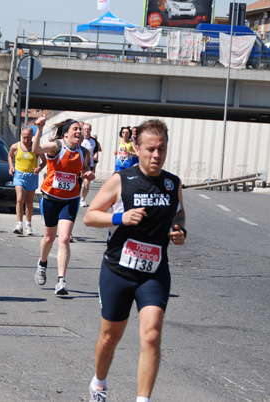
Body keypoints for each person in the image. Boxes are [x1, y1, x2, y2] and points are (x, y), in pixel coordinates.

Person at [83, 119, 186, 402]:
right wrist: (120, 217)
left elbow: (179, 214)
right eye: (150, 149)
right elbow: (90, 216)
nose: (156, 155)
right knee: (109, 337)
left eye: (161, 149)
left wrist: (179, 230)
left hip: (153, 272)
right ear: (137, 149)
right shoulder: (121, 180)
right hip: (118, 271)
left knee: (151, 335)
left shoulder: (171, 183)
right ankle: (99, 382)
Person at [32, 116, 94, 296]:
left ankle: (61, 281)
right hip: (51, 198)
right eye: (75, 129)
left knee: (64, 238)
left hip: (71, 199)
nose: (78, 132)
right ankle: (42, 263)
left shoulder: (83, 151)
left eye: (80, 130)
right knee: (49, 238)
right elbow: (36, 149)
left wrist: (87, 173)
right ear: (66, 133)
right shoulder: (56, 146)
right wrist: (39, 129)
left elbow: (83, 169)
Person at [8, 126, 46, 236]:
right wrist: (11, 166)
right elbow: (10, 156)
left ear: (32, 136)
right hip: (19, 174)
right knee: (20, 199)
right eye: (24, 137)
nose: (26, 140)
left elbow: (44, 161)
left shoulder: (36, 148)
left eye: (28, 138)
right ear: (21, 136)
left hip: (31, 175)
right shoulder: (15, 146)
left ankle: (28, 225)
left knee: (29, 201)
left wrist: (39, 168)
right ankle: (19, 224)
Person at [79, 122, 97, 207]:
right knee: (77, 183)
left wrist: (96, 154)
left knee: (86, 182)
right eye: (85, 129)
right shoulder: (79, 139)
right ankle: (75, 198)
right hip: (78, 164)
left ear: (91, 130)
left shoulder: (94, 141)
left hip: (89, 164)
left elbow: (96, 150)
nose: (86, 131)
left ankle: (82, 199)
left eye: (88, 129)